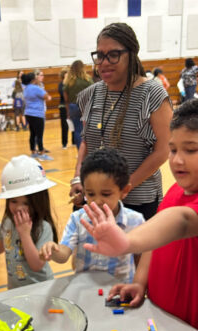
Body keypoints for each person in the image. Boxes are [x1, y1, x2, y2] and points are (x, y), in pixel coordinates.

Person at [80, 96, 198, 331]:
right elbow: (155, 243)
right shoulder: (176, 190)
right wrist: (140, 282)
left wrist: (127, 242)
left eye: (191, 149)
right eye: (173, 149)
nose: (176, 159)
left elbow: (181, 221)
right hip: (160, 320)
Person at [72, 22, 172, 221]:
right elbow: (87, 141)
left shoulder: (152, 93)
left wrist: (124, 187)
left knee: (136, 252)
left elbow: (163, 150)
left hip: (136, 200)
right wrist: (78, 178)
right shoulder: (90, 94)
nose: (104, 62)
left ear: (131, 55)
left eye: (113, 55)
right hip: (96, 199)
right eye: (100, 55)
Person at [39, 148, 147, 282]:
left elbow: (141, 260)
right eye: (90, 194)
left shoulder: (135, 221)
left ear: (124, 191)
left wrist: (139, 285)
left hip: (120, 292)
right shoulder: (77, 219)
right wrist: (53, 250)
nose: (97, 201)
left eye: (106, 194)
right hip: (84, 290)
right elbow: (64, 254)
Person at [0, 155, 58, 289]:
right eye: (14, 201)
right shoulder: (8, 221)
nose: (19, 207)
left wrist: (24, 234)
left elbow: (37, 265)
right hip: (15, 289)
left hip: (41, 289)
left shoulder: (43, 227)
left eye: (26, 203)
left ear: (38, 201)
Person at [23, 72, 53, 161]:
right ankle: (42, 153)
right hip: (37, 114)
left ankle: (33, 152)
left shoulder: (26, 88)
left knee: (32, 133)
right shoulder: (36, 88)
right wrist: (48, 97)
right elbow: (47, 97)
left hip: (28, 113)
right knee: (39, 134)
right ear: (33, 79)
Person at [64, 60, 93, 150]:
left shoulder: (68, 82)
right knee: (88, 129)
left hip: (73, 106)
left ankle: (80, 150)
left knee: (77, 130)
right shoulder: (88, 80)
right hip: (86, 106)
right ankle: (88, 150)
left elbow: (66, 99)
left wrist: (68, 112)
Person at [58, 68, 70, 149]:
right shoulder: (61, 84)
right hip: (63, 106)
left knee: (73, 124)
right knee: (64, 125)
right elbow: (62, 94)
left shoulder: (71, 83)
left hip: (71, 105)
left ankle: (74, 141)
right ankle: (64, 143)